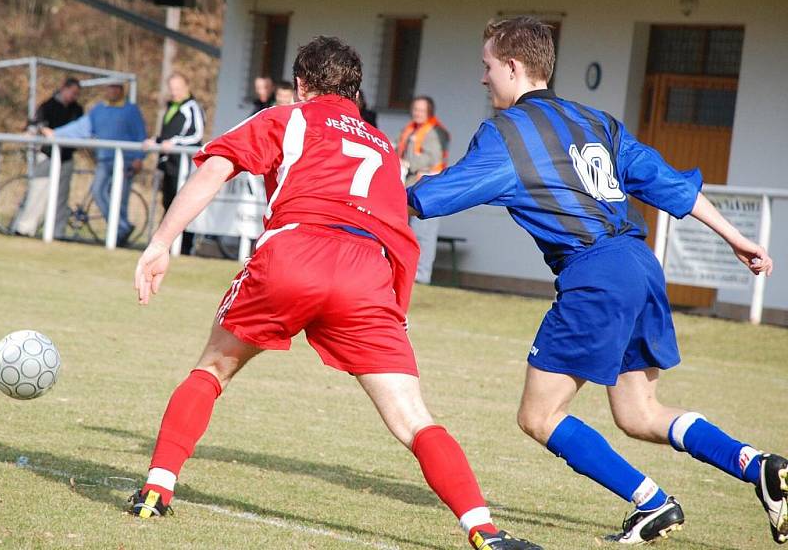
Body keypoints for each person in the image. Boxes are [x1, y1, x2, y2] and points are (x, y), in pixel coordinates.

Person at [129, 36, 541, 550]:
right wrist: (395, 308)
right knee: (413, 418)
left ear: (300, 85)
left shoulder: (287, 117)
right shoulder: (383, 147)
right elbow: (400, 235)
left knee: (213, 369)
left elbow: (215, 167)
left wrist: (161, 242)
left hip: (294, 254)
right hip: (365, 275)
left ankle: (156, 489)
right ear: (356, 89)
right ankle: (484, 529)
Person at [407, 16, 787, 546]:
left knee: (538, 415)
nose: (482, 78)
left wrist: (384, 188)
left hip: (596, 274)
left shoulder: (506, 134)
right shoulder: (596, 121)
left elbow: (433, 197)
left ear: (513, 67)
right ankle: (756, 466)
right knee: (639, 412)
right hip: (640, 264)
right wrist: (734, 235)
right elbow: (664, 180)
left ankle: (651, 499)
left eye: (487, 66)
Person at [44, 83, 147, 247]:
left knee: (120, 197)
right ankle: (122, 227)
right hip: (105, 160)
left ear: (121, 90)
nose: (112, 90)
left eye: (116, 87)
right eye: (110, 87)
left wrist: (139, 157)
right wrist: (56, 133)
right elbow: (80, 128)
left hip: (125, 161)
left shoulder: (131, 110)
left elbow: (141, 134)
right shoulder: (99, 110)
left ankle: (120, 231)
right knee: (98, 191)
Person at [144, 73, 205, 255]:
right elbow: (167, 135)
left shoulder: (193, 107)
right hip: (168, 164)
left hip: (183, 165)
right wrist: (155, 141)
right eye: (172, 89)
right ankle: (166, 245)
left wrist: (175, 143)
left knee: (181, 205)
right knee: (168, 202)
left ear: (187, 86)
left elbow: (196, 135)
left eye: (178, 88)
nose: (174, 92)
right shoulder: (172, 107)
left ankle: (184, 247)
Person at [15, 77, 84, 239]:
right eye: (72, 93)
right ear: (64, 89)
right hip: (47, 156)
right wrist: (43, 130)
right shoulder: (48, 106)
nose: (74, 97)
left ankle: (57, 231)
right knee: (38, 191)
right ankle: (25, 228)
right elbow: (34, 124)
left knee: (61, 197)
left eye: (77, 94)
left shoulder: (77, 110)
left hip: (66, 157)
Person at [397, 96, 449, 284]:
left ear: (429, 112)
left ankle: (422, 275)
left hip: (428, 189)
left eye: (421, 110)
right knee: (406, 232)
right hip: (409, 187)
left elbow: (434, 160)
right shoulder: (410, 129)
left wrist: (411, 164)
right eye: (415, 109)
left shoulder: (435, 133)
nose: (417, 113)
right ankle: (406, 273)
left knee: (423, 234)